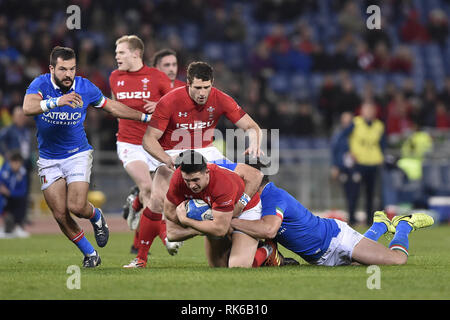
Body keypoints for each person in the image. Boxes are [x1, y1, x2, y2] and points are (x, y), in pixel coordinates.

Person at [22, 46, 153, 268]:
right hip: (48, 158)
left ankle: (96, 216)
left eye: (72, 69)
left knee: (76, 206)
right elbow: (27, 107)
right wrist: (56, 102)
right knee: (59, 213)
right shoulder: (40, 84)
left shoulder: (84, 86)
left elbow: (111, 106)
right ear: (52, 68)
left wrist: (143, 117)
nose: (68, 74)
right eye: (63, 69)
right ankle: (90, 254)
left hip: (77, 154)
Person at [123, 62, 263, 268]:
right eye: (197, 88)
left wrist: (254, 144)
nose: (202, 93)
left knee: (248, 180)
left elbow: (251, 126)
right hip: (172, 152)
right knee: (156, 201)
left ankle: (253, 238)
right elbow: (149, 140)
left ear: (212, 84)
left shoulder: (220, 98)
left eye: (206, 87)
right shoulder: (170, 101)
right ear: (188, 83)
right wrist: (166, 159)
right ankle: (140, 258)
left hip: (206, 151)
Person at [212, 160, 434, 266]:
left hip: (337, 240)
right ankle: (379, 224)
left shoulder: (272, 196)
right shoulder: (254, 202)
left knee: (397, 261)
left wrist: (230, 221)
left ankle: (404, 225)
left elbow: (269, 229)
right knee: (360, 264)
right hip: (323, 256)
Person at [109, 36, 181, 255]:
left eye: (121, 52)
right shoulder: (114, 77)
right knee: (148, 187)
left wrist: (159, 106)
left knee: (161, 197)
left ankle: (135, 204)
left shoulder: (157, 77)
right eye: (116, 52)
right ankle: (166, 237)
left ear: (135, 54)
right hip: (129, 143)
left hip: (153, 144)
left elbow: (176, 109)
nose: (116, 56)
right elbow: (115, 107)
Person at [164, 150, 266, 268]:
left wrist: (187, 221)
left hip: (246, 210)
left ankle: (267, 250)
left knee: (238, 267)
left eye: (196, 180)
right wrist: (201, 225)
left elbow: (220, 229)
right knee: (217, 267)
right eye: (187, 181)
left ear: (207, 172)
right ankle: (236, 243)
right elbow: (169, 213)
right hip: (218, 212)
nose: (191, 185)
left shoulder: (221, 183)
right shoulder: (178, 177)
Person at [339, 102, 387, 225]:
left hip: (373, 163)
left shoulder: (379, 125)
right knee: (354, 193)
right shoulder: (356, 123)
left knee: (371, 194)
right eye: (367, 110)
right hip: (358, 163)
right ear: (362, 111)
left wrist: (381, 156)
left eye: (372, 110)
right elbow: (342, 137)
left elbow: (382, 143)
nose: (370, 112)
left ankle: (370, 220)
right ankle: (352, 219)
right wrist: (348, 151)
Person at [0, 152, 28, 238]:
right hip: (4, 197)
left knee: (22, 200)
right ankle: (3, 226)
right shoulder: (4, 170)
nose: (16, 165)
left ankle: (18, 227)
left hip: (14, 197)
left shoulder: (22, 172)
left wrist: (10, 193)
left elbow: (23, 190)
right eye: (14, 163)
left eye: (18, 163)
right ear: (11, 162)